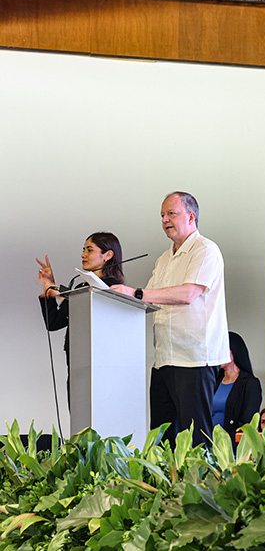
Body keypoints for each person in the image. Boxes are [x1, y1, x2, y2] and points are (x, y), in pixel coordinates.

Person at [111, 191, 229, 447]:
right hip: (164, 357)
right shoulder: (164, 259)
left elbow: (188, 294)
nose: (165, 219)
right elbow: (148, 300)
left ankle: (201, 485)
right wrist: (111, 295)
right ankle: (167, 486)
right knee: (162, 437)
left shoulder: (205, 250)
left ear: (191, 216)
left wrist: (136, 292)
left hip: (194, 357)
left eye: (171, 213)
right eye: (162, 215)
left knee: (197, 437)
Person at [36, 232, 125, 401]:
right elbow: (54, 322)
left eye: (89, 250)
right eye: (83, 250)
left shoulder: (114, 288)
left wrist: (59, 293)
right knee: (78, 417)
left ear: (108, 255)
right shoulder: (82, 286)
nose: (83, 255)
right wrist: (48, 289)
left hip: (101, 366)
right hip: (77, 363)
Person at [212, 332, 262, 444]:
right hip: (210, 442)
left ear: (234, 351)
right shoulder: (214, 381)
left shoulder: (249, 383)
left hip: (231, 446)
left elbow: (247, 422)